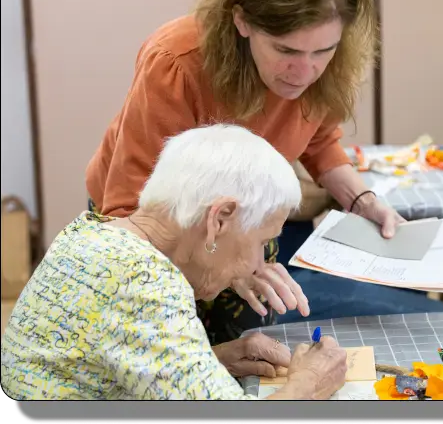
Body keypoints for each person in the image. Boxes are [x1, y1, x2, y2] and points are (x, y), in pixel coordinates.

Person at [85, 0, 443, 344]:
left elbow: (318, 138)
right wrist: (219, 262)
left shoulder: (319, 67)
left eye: (323, 51)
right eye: (285, 50)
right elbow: (130, 208)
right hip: (156, 228)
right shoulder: (177, 63)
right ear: (241, 21)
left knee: (254, 339)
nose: (304, 71)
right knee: (182, 350)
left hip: (244, 221)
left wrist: (361, 200)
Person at [1, 125, 347, 400]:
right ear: (220, 219)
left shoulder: (91, 236)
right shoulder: (143, 280)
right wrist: (310, 382)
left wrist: (211, 360)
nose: (256, 265)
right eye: (260, 243)